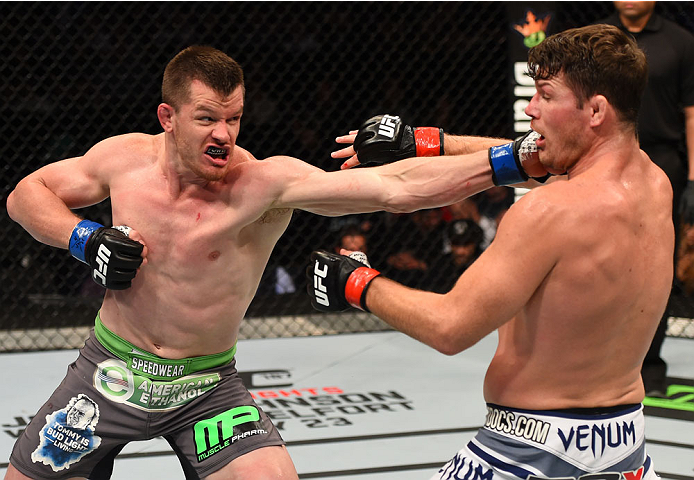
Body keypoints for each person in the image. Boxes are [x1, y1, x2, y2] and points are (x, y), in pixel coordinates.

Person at [6, 45, 546, 479]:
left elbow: (394, 188)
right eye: (207, 119)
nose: (224, 135)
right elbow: (27, 194)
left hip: (205, 385)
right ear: (167, 117)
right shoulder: (122, 159)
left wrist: (519, 158)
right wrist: (83, 237)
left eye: (234, 119)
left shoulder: (265, 183)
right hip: (111, 370)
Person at [308, 24, 671, 480]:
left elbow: (450, 327)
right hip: (626, 451)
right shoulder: (655, 183)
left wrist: (354, 280)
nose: (530, 108)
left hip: (529, 454)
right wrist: (423, 142)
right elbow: (534, 159)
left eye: (545, 95)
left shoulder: (548, 211)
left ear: (595, 110)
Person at [602, 0, 694, 398]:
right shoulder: (596, 39)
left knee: (656, 264)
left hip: (664, 161)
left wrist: (693, 178)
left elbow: (692, 113)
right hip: (605, 158)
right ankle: (601, 360)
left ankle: (649, 361)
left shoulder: (680, 42)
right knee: (601, 259)